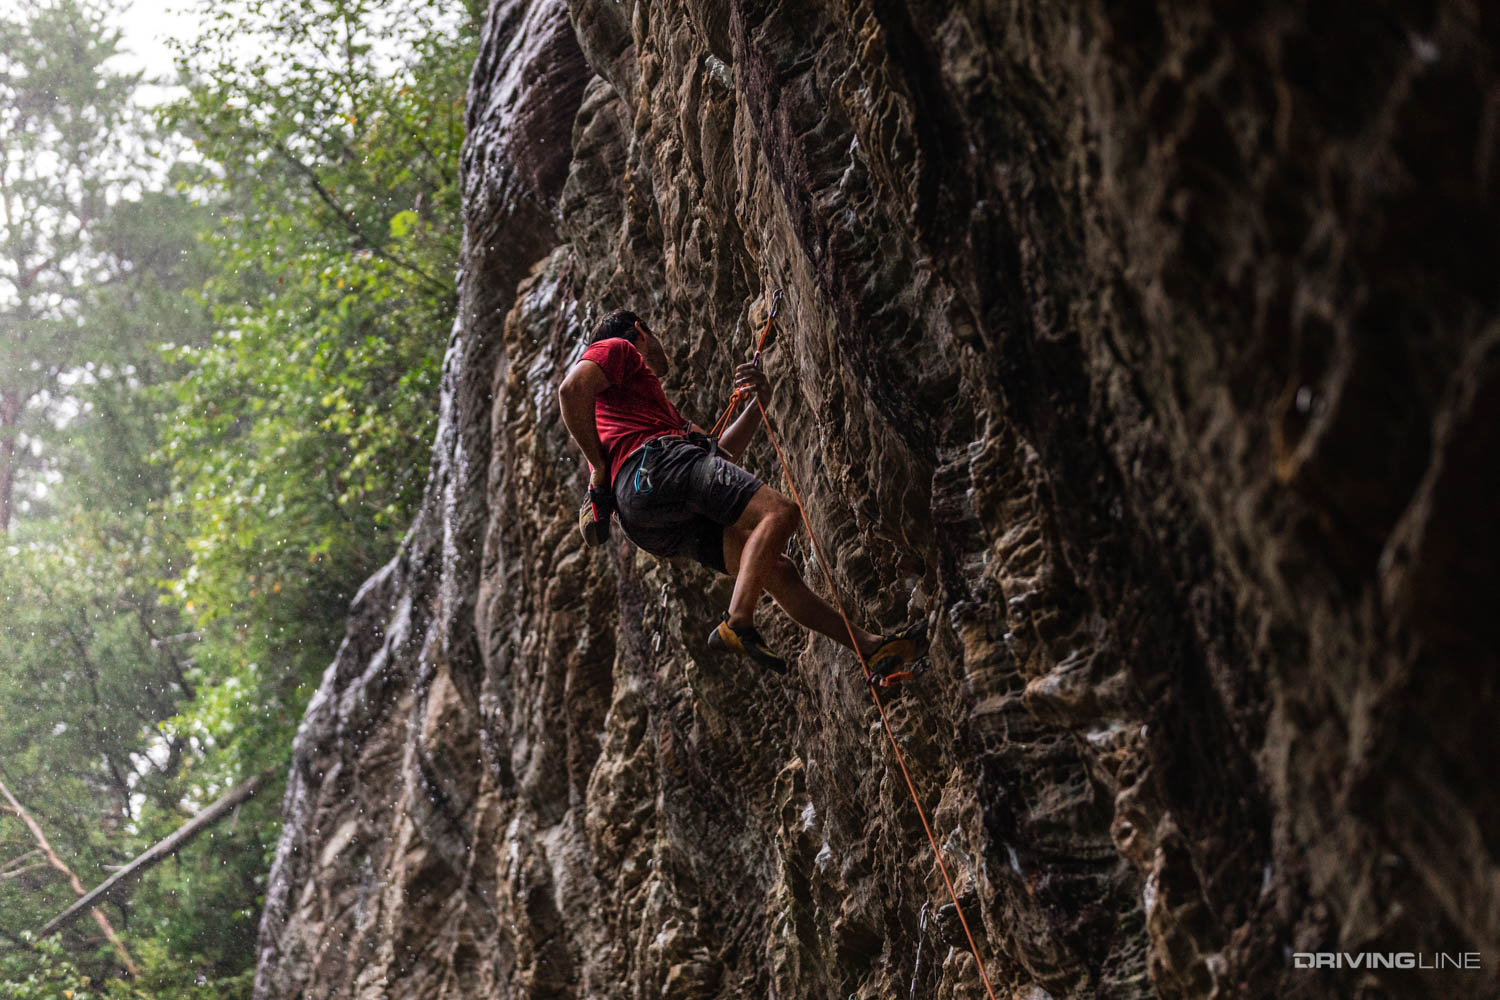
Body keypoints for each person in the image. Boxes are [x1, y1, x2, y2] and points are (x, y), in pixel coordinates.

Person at [557, 307, 927, 680]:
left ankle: (872, 647)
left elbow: (719, 455)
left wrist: (757, 405)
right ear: (641, 329)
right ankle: (738, 621)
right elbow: (571, 390)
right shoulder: (619, 347)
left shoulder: (648, 415)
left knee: (777, 569)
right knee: (780, 513)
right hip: (655, 466)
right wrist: (599, 469)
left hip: (644, 516)